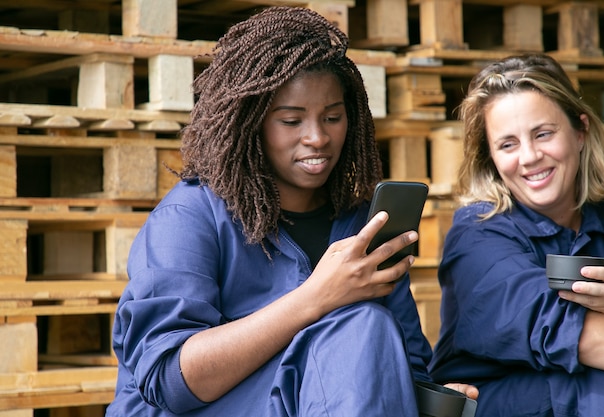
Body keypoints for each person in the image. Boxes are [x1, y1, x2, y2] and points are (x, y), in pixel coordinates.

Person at [106, 6, 476, 417]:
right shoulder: (189, 216)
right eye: (291, 120)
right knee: (361, 325)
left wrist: (424, 396)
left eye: (332, 117)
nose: (317, 137)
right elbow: (170, 382)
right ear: (252, 123)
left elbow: (396, 363)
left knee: (369, 330)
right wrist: (315, 298)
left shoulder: (360, 226)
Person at [428, 52, 604, 416]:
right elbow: (581, 337)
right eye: (508, 144)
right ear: (490, 157)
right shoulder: (477, 235)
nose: (530, 156)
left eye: (543, 134)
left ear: (580, 132)